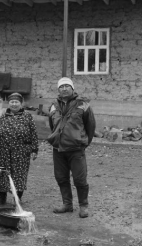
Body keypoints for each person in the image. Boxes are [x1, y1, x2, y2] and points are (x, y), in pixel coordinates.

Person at [47, 77, 96, 218]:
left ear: (72, 88)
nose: (64, 89)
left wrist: (84, 142)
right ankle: (67, 204)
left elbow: (90, 126)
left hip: (76, 149)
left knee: (80, 179)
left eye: (67, 86)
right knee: (61, 178)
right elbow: (53, 126)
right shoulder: (53, 106)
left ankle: (83, 206)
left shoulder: (83, 105)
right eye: (61, 87)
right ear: (58, 90)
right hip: (58, 149)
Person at [0, 93, 38, 205]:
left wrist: (34, 150)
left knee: (19, 175)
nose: (14, 104)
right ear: (8, 104)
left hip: (22, 152)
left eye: (16, 102)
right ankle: (2, 198)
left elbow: (33, 133)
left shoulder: (27, 116)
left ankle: (17, 198)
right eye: (12, 102)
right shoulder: (4, 116)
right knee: (3, 173)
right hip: (4, 152)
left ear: (21, 103)